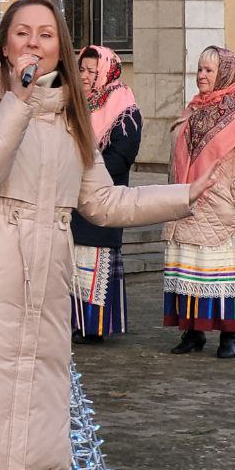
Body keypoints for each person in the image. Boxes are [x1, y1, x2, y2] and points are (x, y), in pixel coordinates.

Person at [0, 0, 212, 470]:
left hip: (44, 293)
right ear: (5, 46)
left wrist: (184, 194)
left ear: (62, 49)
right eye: (23, 32)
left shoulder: (74, 120)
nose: (34, 42)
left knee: (39, 430)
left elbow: (103, 201)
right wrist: (18, 101)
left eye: (46, 34)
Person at [163, 45, 235, 359]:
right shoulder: (194, 108)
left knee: (223, 273)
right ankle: (192, 331)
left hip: (220, 211)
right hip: (187, 206)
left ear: (224, 73)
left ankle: (229, 336)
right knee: (190, 269)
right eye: (199, 69)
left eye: (209, 70)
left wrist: (233, 199)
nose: (202, 76)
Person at [70, 45, 142, 344]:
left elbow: (121, 155)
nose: (85, 76)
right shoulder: (75, 104)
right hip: (73, 195)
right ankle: (76, 322)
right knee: (75, 262)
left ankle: (96, 324)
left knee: (96, 261)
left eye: (91, 71)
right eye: (81, 69)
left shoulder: (124, 108)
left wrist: (87, 173)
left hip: (104, 192)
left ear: (105, 72)